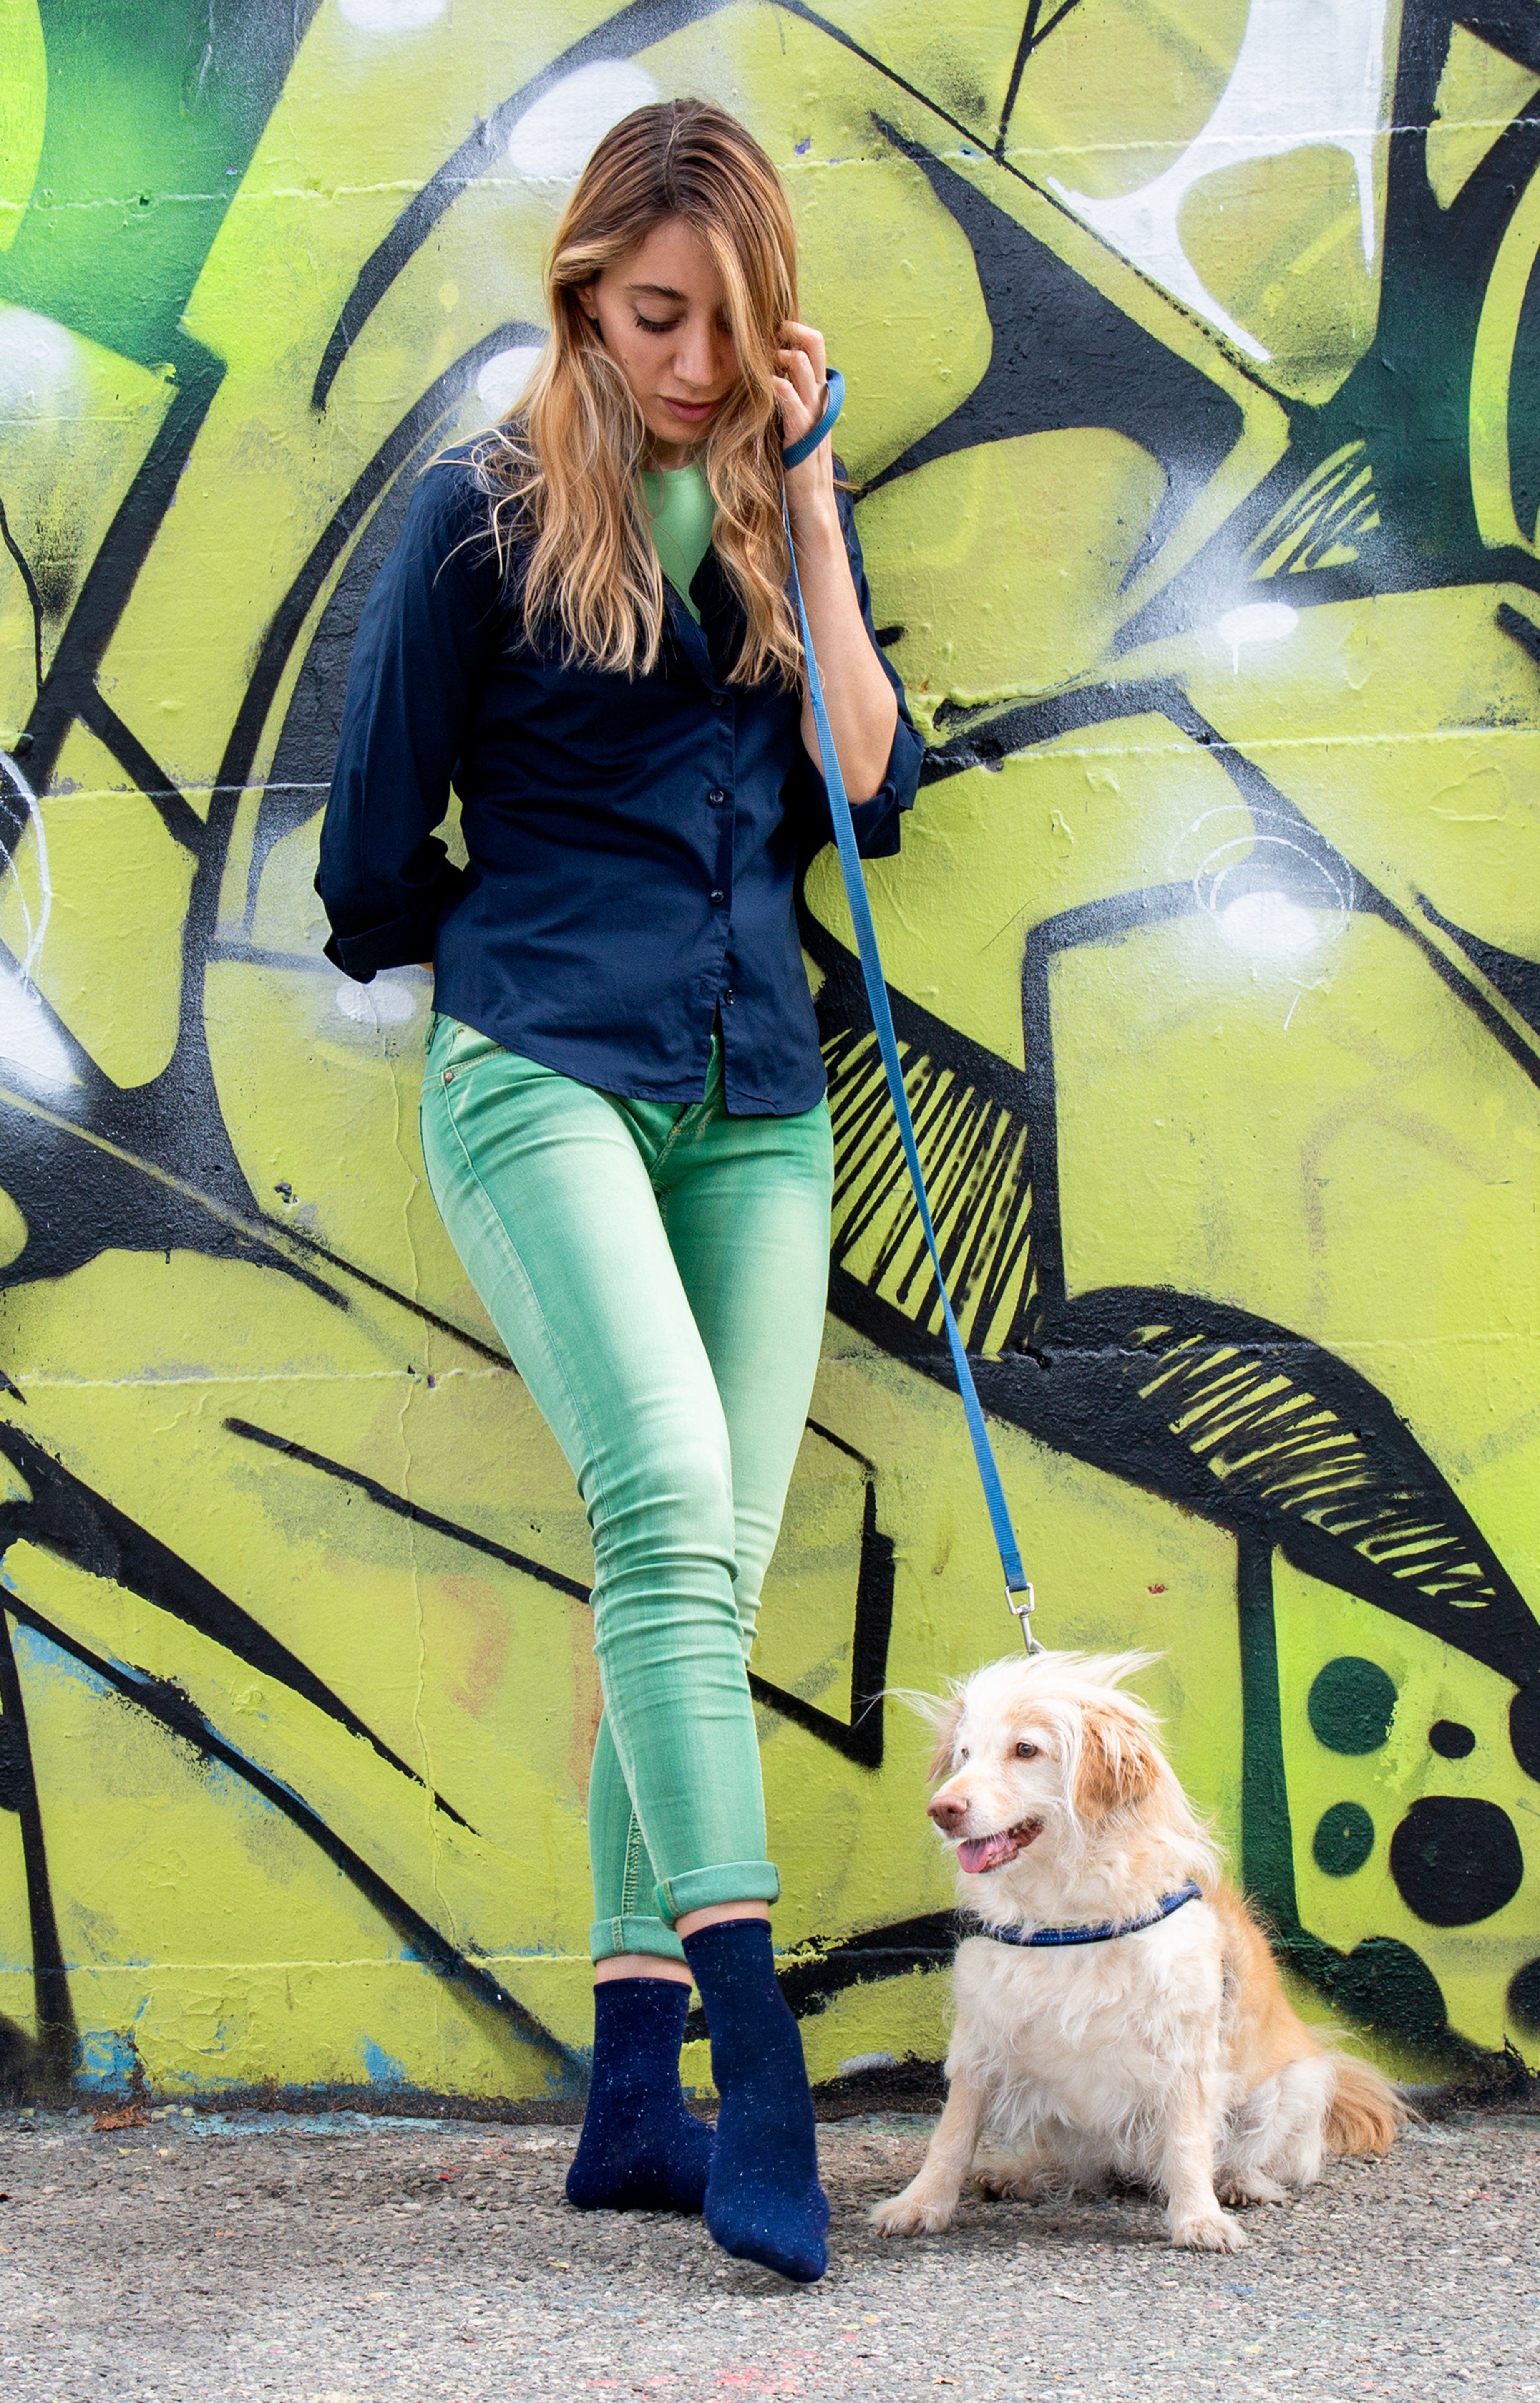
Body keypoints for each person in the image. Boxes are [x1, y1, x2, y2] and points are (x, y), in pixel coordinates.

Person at [317, 98, 923, 2284]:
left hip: (761, 1094)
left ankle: (624, 2100)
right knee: (667, 1507)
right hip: (542, 1074)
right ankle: (759, 2087)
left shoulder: (771, 506)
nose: (686, 362)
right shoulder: (479, 517)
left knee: (702, 1579)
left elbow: (868, 782)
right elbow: (366, 856)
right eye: (655, 315)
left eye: (728, 327)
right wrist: (512, 950)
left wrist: (821, 493)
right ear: (586, 290)